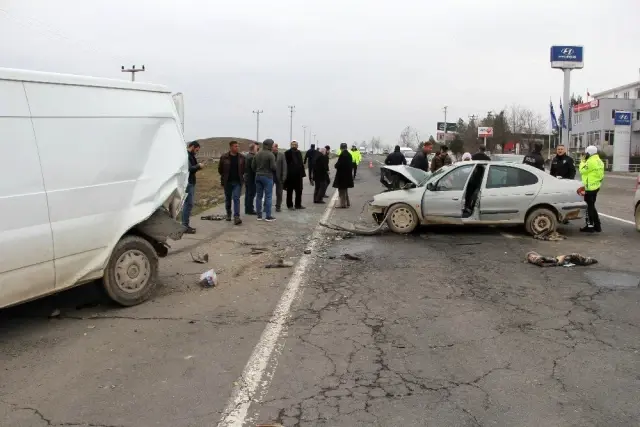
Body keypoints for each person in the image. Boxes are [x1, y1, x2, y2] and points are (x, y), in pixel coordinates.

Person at [218, 140, 245, 225]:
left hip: (237, 182)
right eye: (235, 146)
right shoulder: (224, 157)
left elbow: (244, 169)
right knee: (228, 199)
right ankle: (228, 214)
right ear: (231, 147)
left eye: (238, 146)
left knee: (236, 198)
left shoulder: (242, 157)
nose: (237, 148)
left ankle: (236, 217)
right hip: (227, 182)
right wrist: (223, 180)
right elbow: (220, 170)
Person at [579, 145, 604, 233]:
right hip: (596, 186)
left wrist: (582, 161)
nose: (585, 154)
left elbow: (582, 170)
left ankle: (590, 226)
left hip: (589, 187)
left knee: (589, 207)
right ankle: (597, 225)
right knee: (592, 206)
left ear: (589, 153)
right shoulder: (599, 161)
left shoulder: (590, 162)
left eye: (586, 153)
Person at [252, 139, 277, 221]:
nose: (273, 146)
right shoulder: (271, 155)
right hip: (267, 177)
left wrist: (258, 171)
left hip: (258, 176)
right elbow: (273, 167)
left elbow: (253, 166)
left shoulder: (257, 154)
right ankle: (268, 216)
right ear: (268, 145)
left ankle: (259, 216)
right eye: (272, 145)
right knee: (268, 196)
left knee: (258, 196)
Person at [182, 141, 204, 233]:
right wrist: (199, 166)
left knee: (188, 204)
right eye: (196, 150)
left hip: (190, 182)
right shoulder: (186, 155)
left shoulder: (190, 155)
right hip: (188, 183)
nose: (196, 152)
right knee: (188, 204)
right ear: (192, 147)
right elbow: (190, 169)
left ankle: (185, 225)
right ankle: (184, 226)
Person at [284, 140, 306, 209]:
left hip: (298, 176)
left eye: (295, 145)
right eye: (293, 144)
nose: (294, 146)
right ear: (290, 145)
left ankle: (298, 205)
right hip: (290, 175)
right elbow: (285, 164)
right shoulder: (287, 153)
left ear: (297, 145)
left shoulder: (299, 152)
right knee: (290, 191)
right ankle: (290, 205)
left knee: (299, 191)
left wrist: (302, 173)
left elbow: (301, 163)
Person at [333, 143, 354, 208]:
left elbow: (338, 165)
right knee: (345, 189)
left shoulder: (342, 155)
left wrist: (335, 165)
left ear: (340, 148)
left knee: (341, 190)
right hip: (348, 175)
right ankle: (347, 202)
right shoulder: (349, 155)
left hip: (342, 175)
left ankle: (342, 204)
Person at [243, 142, 259, 215]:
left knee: (247, 194)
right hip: (251, 178)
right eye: (256, 148)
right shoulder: (252, 157)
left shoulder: (247, 156)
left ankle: (247, 208)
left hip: (247, 177)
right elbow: (254, 168)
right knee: (251, 194)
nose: (257, 149)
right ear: (253, 149)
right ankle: (250, 209)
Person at [272, 143, 287, 212]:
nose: (273, 149)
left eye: (274, 147)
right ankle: (266, 206)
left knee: (279, 193)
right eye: (272, 147)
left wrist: (284, 176)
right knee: (268, 192)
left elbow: (284, 166)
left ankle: (278, 206)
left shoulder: (281, 155)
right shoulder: (269, 154)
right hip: (270, 176)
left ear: (277, 148)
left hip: (279, 176)